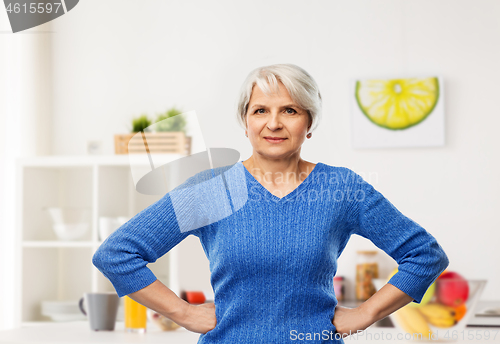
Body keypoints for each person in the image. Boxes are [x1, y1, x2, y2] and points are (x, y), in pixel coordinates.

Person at [92, 63, 449, 343]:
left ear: (309, 122)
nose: (274, 124)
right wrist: (183, 313)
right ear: (245, 122)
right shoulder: (213, 188)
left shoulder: (342, 187)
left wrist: (364, 314)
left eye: (290, 110)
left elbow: (424, 254)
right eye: (260, 110)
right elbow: (117, 254)